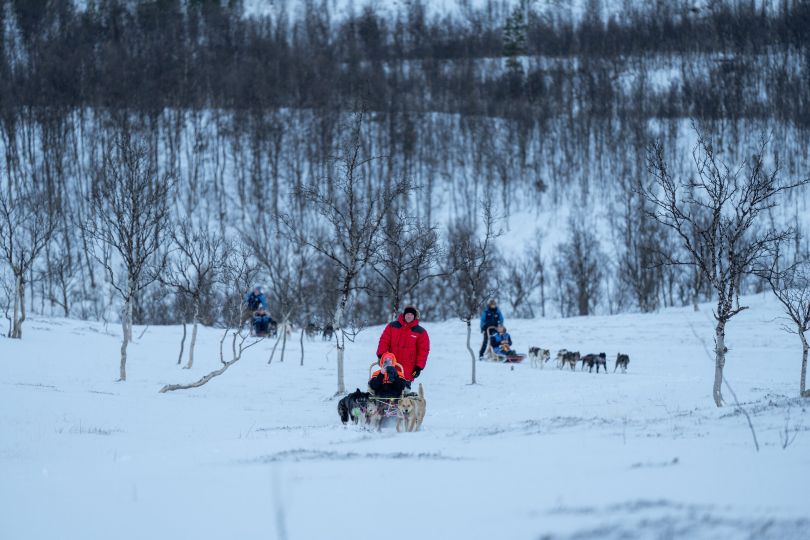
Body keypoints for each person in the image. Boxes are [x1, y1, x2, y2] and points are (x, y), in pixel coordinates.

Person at [376, 305, 430, 387]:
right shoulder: (392, 326)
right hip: (390, 364)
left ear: (415, 317)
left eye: (412, 315)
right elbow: (384, 341)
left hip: (408, 368)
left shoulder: (421, 332)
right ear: (404, 314)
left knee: (404, 393)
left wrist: (418, 367)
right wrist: (381, 355)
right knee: (386, 392)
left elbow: (423, 351)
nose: (409, 316)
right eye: (407, 314)